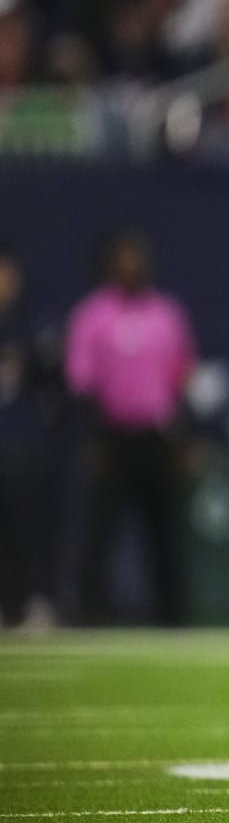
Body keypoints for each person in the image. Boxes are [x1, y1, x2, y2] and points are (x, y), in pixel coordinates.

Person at [65, 230, 195, 625]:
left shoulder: (166, 314)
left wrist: (183, 438)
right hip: (112, 434)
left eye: (137, 258)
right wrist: (92, 439)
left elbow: (181, 378)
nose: (132, 266)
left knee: (165, 532)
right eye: (124, 259)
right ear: (109, 266)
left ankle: (172, 618)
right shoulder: (92, 315)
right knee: (100, 531)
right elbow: (81, 381)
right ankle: (89, 615)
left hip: (156, 434)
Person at [0, 242, 59, 630]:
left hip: (20, 441)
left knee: (27, 522)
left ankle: (34, 599)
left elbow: (55, 378)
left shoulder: (31, 323)